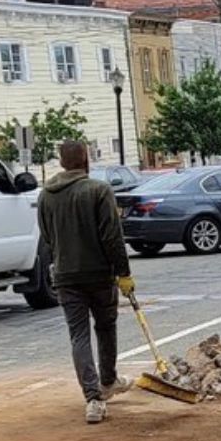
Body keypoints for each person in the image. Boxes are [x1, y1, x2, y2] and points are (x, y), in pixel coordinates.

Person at [37, 140, 135, 424]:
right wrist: (123, 272)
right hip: (99, 274)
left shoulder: (46, 196)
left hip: (66, 276)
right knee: (106, 327)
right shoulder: (98, 191)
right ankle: (107, 381)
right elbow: (112, 237)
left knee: (78, 335)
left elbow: (47, 237)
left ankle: (93, 399)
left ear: (62, 161)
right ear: (86, 161)